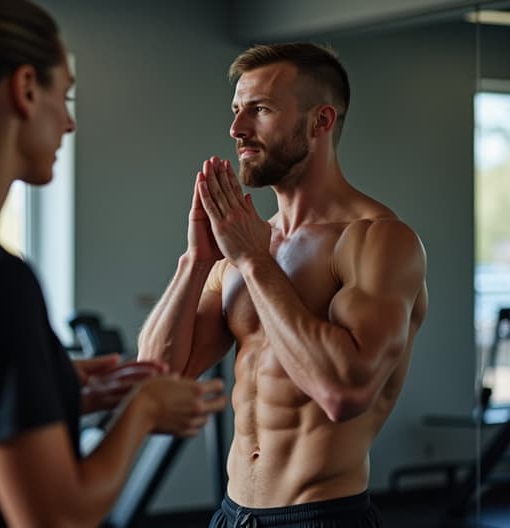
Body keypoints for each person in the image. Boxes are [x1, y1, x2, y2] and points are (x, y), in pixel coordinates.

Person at [0, 0, 227, 526]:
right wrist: (142, 411)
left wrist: (53, 389)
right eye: (64, 95)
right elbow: (57, 519)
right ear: (25, 89)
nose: (69, 122)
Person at [138, 42, 428, 527]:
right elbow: (157, 380)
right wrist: (197, 260)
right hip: (232, 515)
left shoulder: (376, 240)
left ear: (321, 121)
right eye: (236, 111)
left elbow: (342, 394)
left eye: (261, 110)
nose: (237, 129)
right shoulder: (241, 245)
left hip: (321, 516)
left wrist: (253, 260)